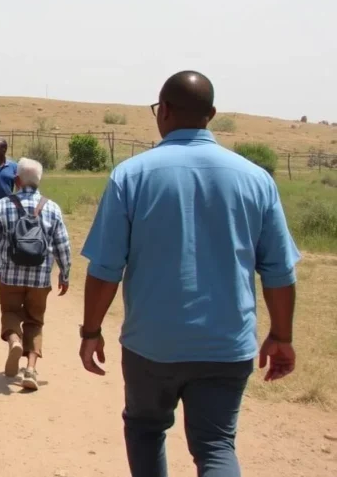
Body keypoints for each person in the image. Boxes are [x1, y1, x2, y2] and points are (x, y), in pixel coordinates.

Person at [79, 71, 300, 477]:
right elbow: (279, 271)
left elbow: (106, 268)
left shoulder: (132, 175)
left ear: (162, 111)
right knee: (216, 446)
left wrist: (91, 330)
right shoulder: (256, 180)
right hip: (226, 345)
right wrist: (281, 336)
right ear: (211, 115)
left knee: (145, 429)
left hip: (151, 345)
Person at [0, 157, 71, 391]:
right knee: (35, 320)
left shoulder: (3, 205)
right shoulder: (52, 208)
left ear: (17, 180)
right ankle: (30, 370)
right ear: (39, 182)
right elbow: (63, 245)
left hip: (10, 275)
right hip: (40, 278)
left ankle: (14, 341)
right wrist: (65, 273)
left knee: (9, 311)